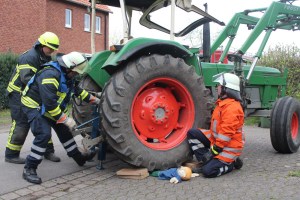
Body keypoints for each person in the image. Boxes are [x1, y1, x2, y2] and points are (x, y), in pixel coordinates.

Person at [21, 51, 100, 184]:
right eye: (76, 72)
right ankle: (29, 168)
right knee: (43, 135)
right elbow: (50, 105)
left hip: (48, 107)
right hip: (34, 106)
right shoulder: (50, 75)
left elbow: (78, 91)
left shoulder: (67, 75)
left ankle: (79, 158)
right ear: (69, 68)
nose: (77, 74)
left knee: (65, 132)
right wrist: (67, 120)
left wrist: (95, 100)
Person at [5, 32, 61, 164]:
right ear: (42, 45)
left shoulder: (46, 58)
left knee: (43, 120)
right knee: (21, 123)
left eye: (54, 48)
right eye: (50, 48)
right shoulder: (29, 57)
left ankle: (48, 151)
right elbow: (26, 78)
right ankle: (11, 154)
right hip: (17, 94)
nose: (52, 51)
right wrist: (45, 88)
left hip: (33, 93)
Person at [187, 72, 245, 178]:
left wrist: (214, 151)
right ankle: (205, 161)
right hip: (217, 140)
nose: (217, 87)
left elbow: (226, 134)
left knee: (208, 172)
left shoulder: (232, 108)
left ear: (226, 89)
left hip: (228, 147)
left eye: (219, 85)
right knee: (192, 133)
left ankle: (232, 164)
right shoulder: (222, 103)